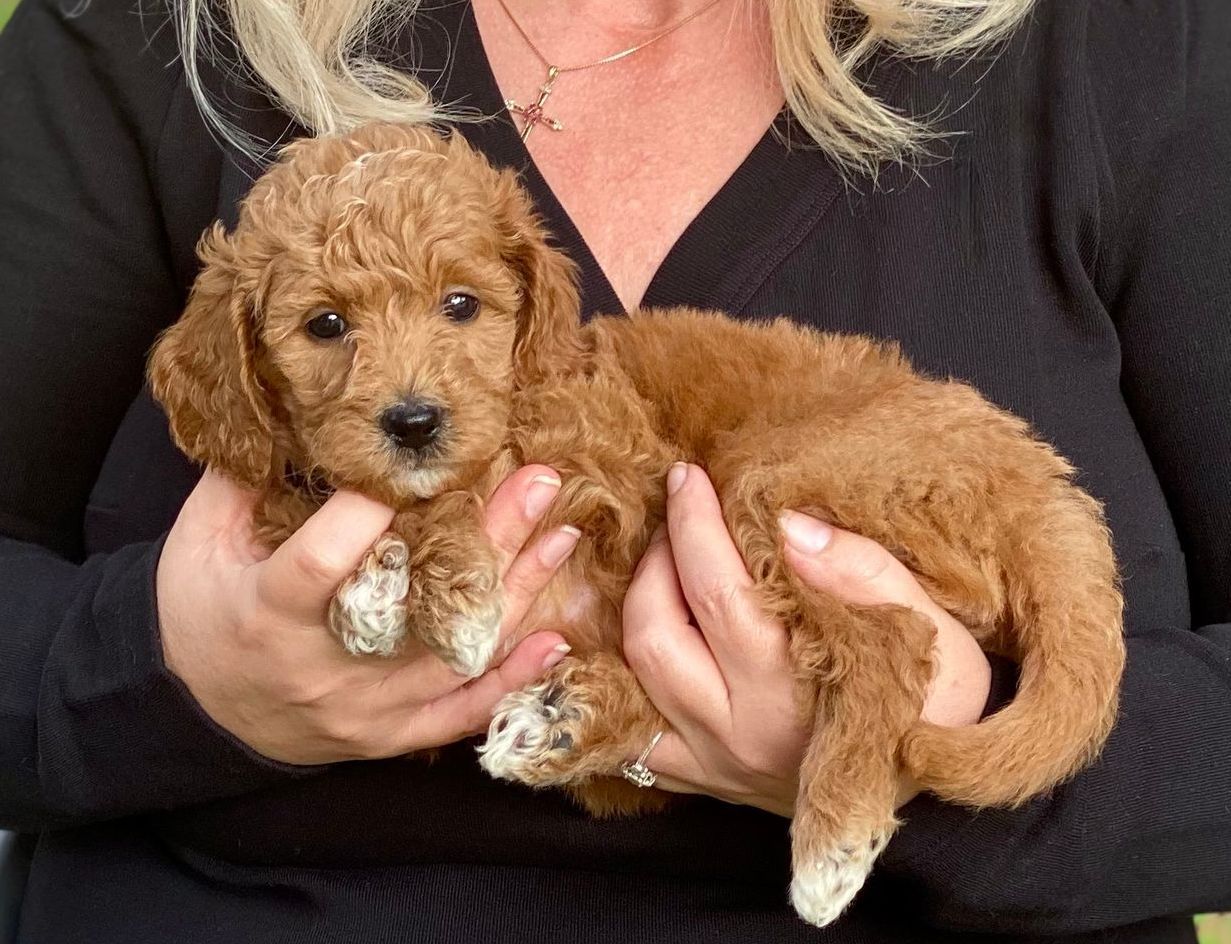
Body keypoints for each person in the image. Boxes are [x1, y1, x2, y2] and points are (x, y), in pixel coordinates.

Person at [0, 0, 1227, 940]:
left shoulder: (1130, 47)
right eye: (325, 327)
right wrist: (160, 677)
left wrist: (956, 749)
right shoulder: (158, 38)